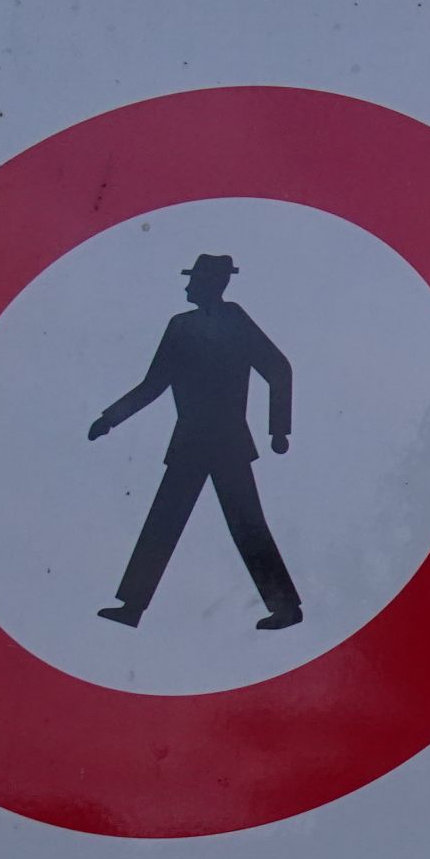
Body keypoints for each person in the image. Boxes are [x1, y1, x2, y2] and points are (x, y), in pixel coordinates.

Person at [88, 252, 302, 630]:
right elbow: (154, 384)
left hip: (228, 442)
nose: (188, 286)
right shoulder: (180, 326)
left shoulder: (235, 320)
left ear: (212, 283)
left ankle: (285, 608)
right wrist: (110, 419)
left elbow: (278, 368)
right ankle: (132, 607)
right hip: (190, 441)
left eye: (195, 280)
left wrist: (279, 430)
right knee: (164, 520)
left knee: (247, 523)